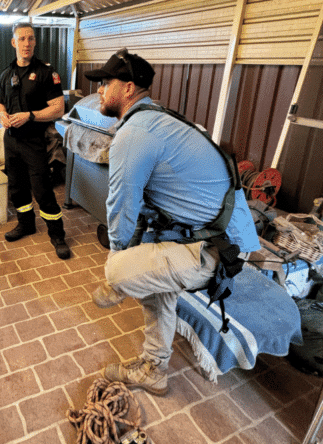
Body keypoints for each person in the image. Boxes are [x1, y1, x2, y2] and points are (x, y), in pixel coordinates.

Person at [84, 48, 260, 395]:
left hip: (218, 248)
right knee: (153, 285)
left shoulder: (135, 134)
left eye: (106, 83)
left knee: (119, 270)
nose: (100, 90)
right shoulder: (157, 118)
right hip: (212, 236)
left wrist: (117, 261)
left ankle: (122, 289)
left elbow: (121, 204)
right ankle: (154, 369)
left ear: (129, 88)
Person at [0, 22, 71, 260]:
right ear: (13, 42)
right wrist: (2, 117)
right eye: (22, 39)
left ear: (35, 41)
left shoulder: (48, 73)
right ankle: (26, 224)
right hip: (11, 141)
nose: (26, 44)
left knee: (42, 190)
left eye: (30, 39)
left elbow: (58, 108)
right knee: (17, 187)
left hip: (34, 142)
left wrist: (30, 115)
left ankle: (57, 235)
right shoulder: (6, 74)